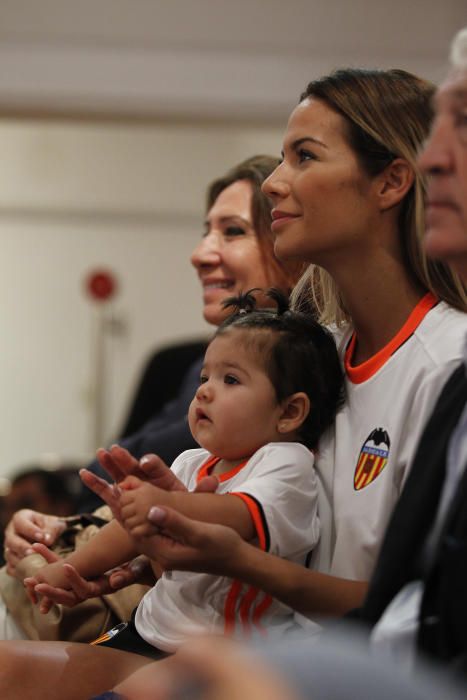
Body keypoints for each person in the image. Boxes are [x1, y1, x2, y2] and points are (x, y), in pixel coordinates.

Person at [1, 63, 467, 696]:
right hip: (243, 646)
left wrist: (234, 556)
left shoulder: (446, 363)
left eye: (304, 156)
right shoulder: (318, 352)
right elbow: (265, 518)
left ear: (390, 181)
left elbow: (418, 618)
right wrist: (162, 542)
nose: (274, 183)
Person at [0, 155, 299, 642]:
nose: (200, 252)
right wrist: (50, 528)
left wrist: (72, 549)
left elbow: (191, 517)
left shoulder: (290, 416)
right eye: (207, 230)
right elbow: (124, 487)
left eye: (233, 231)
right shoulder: (189, 369)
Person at [25, 289, 342, 661]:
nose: (205, 391)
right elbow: (128, 532)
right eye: (205, 377)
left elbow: (240, 515)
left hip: (226, 657)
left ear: (289, 412)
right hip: (148, 628)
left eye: (231, 380)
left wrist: (164, 503)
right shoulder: (192, 462)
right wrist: (70, 569)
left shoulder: (286, 462)